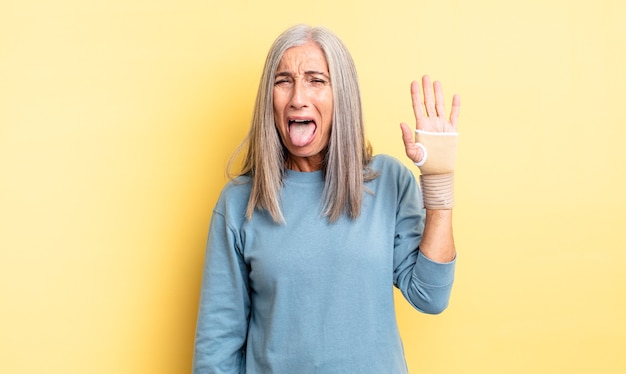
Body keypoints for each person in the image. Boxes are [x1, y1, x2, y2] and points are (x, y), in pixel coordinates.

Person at [193, 24, 460, 373]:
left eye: (316, 80)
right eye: (283, 80)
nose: (297, 97)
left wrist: (438, 182)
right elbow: (217, 347)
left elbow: (430, 296)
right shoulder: (239, 202)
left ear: (342, 96)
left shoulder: (389, 183)